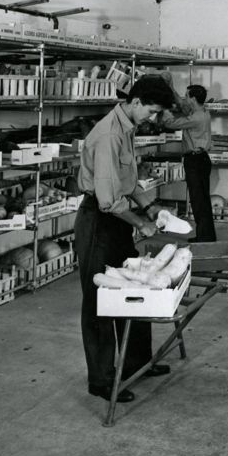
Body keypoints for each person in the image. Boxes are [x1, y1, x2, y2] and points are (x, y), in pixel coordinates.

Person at [74, 75, 177, 403]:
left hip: (117, 221)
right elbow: (107, 200)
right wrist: (140, 224)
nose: (153, 117)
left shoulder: (127, 128)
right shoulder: (108, 134)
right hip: (98, 222)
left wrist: (150, 207)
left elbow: (128, 182)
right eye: (152, 110)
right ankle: (101, 379)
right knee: (100, 300)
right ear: (136, 101)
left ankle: (138, 363)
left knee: (134, 288)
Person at [160, 84, 215, 242]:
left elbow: (170, 123)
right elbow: (184, 107)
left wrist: (164, 109)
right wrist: (171, 87)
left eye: (187, 96)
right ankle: (207, 235)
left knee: (198, 200)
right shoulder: (202, 111)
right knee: (202, 200)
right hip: (201, 159)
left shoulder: (196, 118)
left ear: (193, 99)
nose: (185, 98)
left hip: (195, 161)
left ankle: (204, 237)